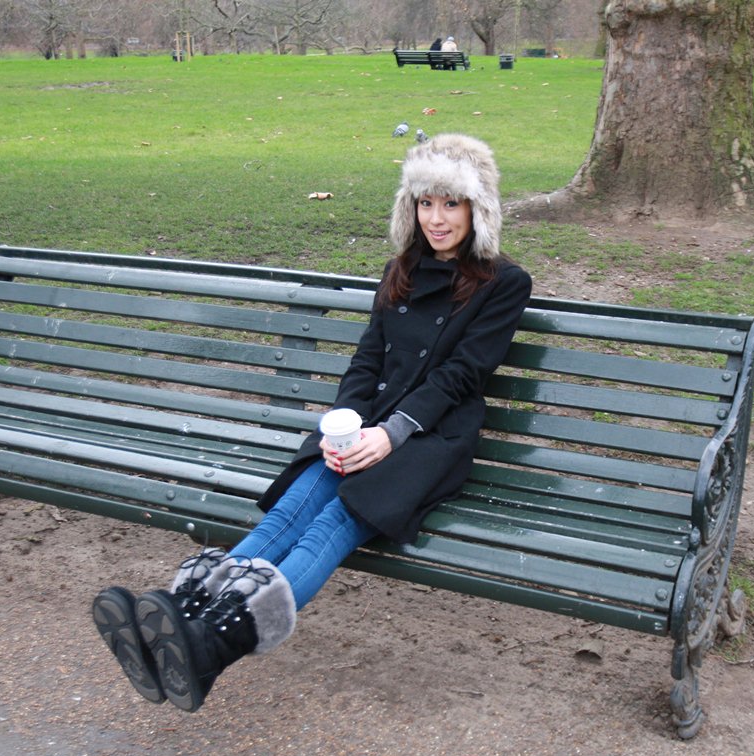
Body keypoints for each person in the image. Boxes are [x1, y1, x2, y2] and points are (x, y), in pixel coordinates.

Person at [91, 133, 533, 714]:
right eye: (425, 202)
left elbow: (461, 375)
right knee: (289, 513)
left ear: (478, 208)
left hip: (431, 438)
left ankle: (212, 646)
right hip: (364, 426)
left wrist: (390, 434)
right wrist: (340, 427)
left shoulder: (504, 282)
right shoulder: (400, 269)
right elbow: (367, 360)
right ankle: (181, 620)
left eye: (451, 203)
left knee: (331, 523)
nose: (436, 218)